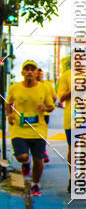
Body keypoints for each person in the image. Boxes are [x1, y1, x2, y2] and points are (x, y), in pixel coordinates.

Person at [6, 60, 55, 196]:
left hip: (38, 129)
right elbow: (8, 103)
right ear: (22, 73)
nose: (29, 72)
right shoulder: (15, 88)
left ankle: (35, 184)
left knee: (39, 160)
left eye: (32, 69)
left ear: (36, 73)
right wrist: (9, 114)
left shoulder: (44, 88)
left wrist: (45, 107)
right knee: (21, 156)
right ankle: (26, 161)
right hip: (18, 128)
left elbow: (51, 106)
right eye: (26, 69)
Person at [56, 63, 72, 193]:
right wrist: (76, 88)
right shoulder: (66, 75)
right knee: (73, 149)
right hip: (71, 118)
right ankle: (73, 178)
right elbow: (60, 97)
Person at [35, 69, 57, 164]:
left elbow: (54, 97)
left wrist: (48, 104)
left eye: (41, 74)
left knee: (42, 134)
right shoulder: (32, 85)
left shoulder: (48, 84)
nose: (39, 76)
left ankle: (43, 152)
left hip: (45, 114)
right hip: (33, 114)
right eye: (38, 74)